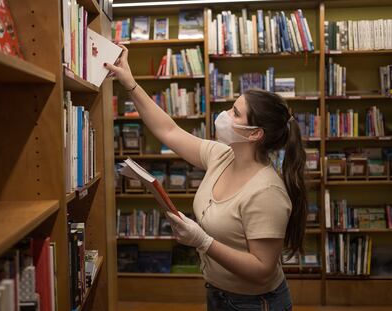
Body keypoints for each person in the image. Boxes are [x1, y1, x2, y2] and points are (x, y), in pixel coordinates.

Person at [106, 45, 307, 311]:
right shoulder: (221, 155)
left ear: (255, 133)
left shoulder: (267, 192)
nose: (225, 115)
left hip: (255, 304)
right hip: (218, 295)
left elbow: (262, 270)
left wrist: (202, 241)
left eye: (235, 112)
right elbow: (168, 131)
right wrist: (129, 83)